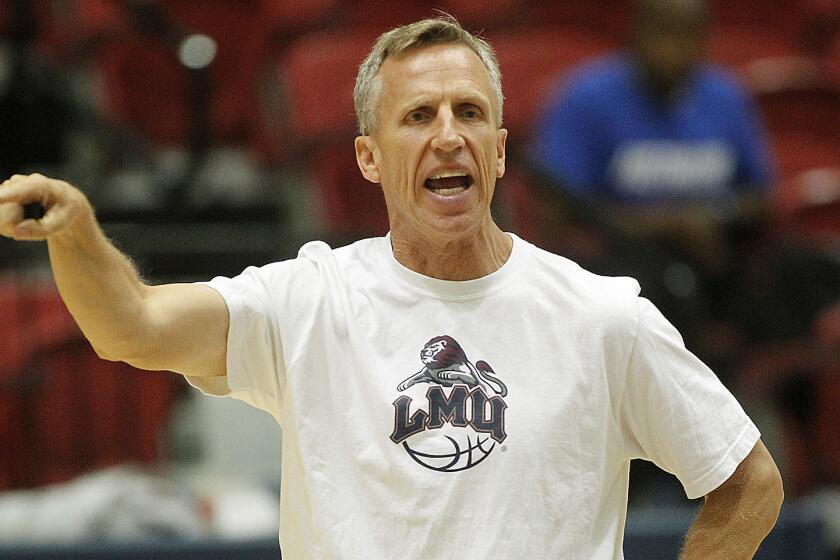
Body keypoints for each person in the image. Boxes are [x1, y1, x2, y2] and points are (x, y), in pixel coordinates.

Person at [0, 16, 783, 560]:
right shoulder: (311, 301)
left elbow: (748, 481)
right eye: (418, 116)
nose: (449, 133)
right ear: (369, 157)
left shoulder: (601, 315)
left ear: (500, 150)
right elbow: (130, 326)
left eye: (469, 112)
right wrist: (76, 234)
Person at [530, 0, 774, 355]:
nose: (675, 49)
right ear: (635, 32)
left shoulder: (725, 97)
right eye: (664, 32)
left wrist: (717, 217)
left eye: (689, 35)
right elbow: (559, 210)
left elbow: (762, 195)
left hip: (714, 257)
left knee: (796, 273)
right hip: (618, 262)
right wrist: (669, 226)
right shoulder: (584, 98)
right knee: (650, 288)